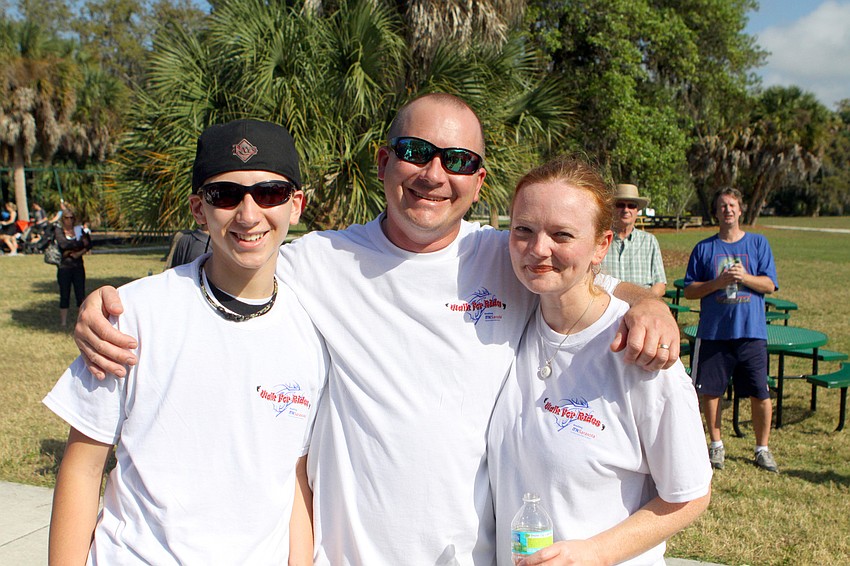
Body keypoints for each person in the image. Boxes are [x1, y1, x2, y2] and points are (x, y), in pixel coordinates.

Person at [73, 93, 682, 564]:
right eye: (416, 152)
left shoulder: (508, 255)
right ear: (385, 159)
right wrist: (114, 302)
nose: (434, 174)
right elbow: (233, 258)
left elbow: (571, 269)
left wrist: (643, 304)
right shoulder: (318, 261)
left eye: (459, 161)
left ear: (479, 179)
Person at [43, 119, 327, 564]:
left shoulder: (312, 333)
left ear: (296, 205)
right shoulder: (131, 315)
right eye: (225, 195)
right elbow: (83, 467)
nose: (248, 215)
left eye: (269, 193)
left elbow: (292, 480)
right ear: (199, 208)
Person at [489, 156, 711, 566]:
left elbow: (690, 494)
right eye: (524, 230)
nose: (539, 249)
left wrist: (594, 553)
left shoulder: (641, 351)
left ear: (601, 245)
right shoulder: (512, 316)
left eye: (562, 234)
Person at [683, 187, 779, 473]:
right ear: (716, 212)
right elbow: (689, 290)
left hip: (751, 332)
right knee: (710, 392)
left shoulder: (758, 244)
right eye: (722, 205)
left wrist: (744, 277)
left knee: (760, 392)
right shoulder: (704, 248)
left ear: (740, 210)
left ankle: (762, 448)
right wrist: (718, 282)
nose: (727, 210)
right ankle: (716, 446)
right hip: (714, 333)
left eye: (732, 205)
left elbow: (770, 285)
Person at [600, 183, 667, 297]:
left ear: (637, 211)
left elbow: (660, 285)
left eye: (631, 205)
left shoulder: (649, 241)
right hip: (606, 308)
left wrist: (642, 302)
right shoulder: (600, 241)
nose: (626, 210)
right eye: (620, 205)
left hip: (641, 308)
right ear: (612, 208)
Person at [53, 206, 93, 326]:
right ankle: (63, 322)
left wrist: (77, 252)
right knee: (64, 294)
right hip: (64, 267)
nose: (69, 220)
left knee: (80, 293)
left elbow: (88, 244)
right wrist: (77, 245)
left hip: (78, 265)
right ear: (62, 219)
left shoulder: (78, 230)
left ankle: (81, 321)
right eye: (66, 218)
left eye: (71, 218)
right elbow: (63, 244)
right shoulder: (59, 230)